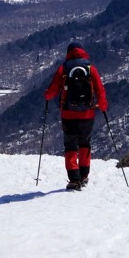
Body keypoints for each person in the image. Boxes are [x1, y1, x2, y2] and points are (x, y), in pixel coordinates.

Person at [43, 42, 108, 190]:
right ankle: (84, 176)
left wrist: (46, 96)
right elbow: (100, 90)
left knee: (71, 146)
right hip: (88, 114)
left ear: (69, 53)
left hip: (69, 115)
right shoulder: (91, 69)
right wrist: (103, 106)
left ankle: (74, 180)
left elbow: (52, 91)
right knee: (85, 144)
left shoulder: (64, 69)